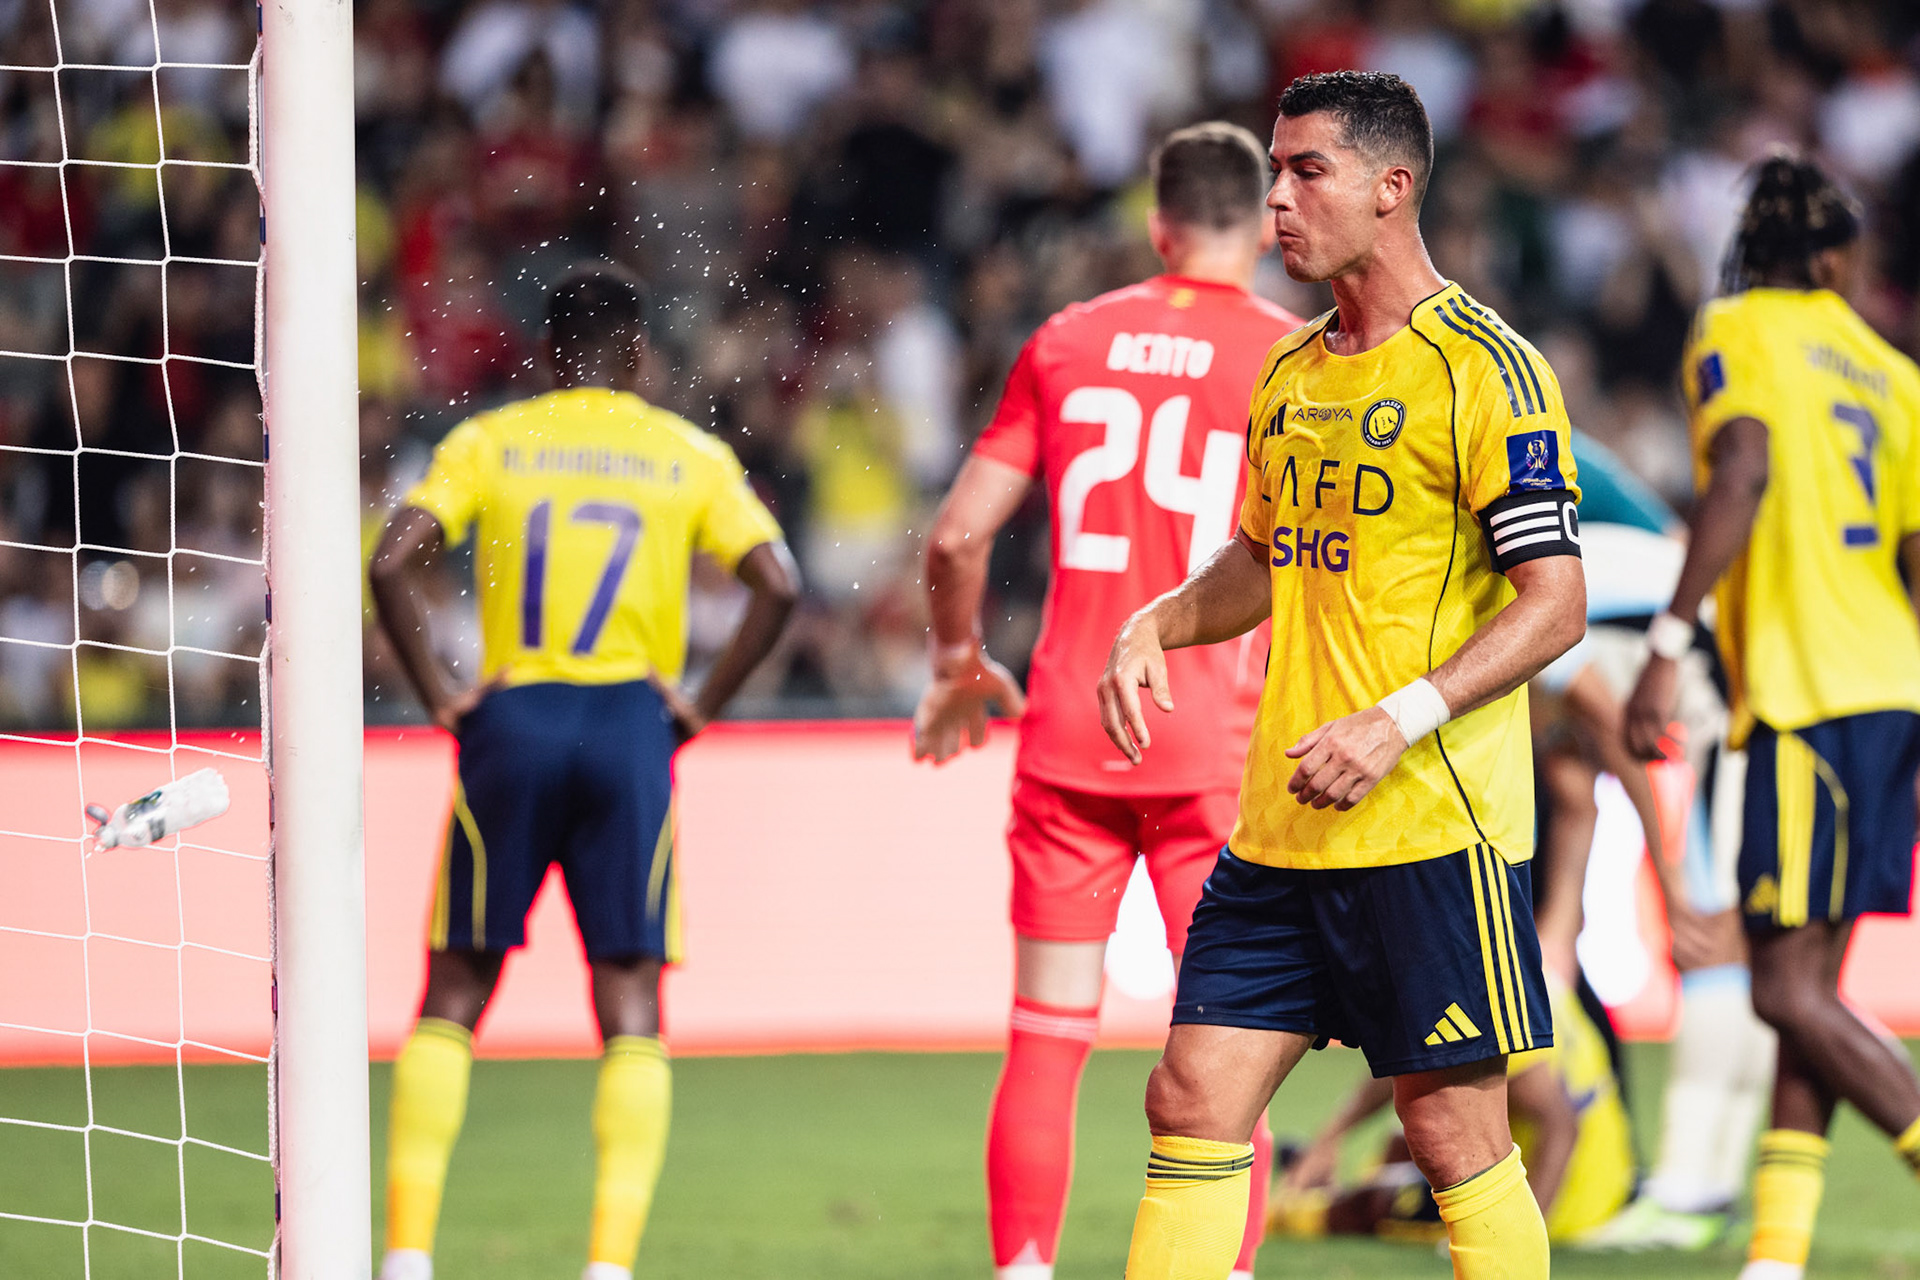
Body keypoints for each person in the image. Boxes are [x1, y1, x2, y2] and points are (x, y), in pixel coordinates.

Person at [1098, 71, 1587, 1280]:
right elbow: (1262, 559)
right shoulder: (1289, 372)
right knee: (1189, 1097)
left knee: (1454, 1132)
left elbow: (1555, 602)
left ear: (1391, 185)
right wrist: (1159, 618)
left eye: (1305, 171)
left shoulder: (1487, 368)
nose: (1275, 198)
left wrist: (1396, 719)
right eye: (1274, 171)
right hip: (1284, 827)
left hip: (1431, 826)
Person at [912, 121, 1303, 1280]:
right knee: (1230, 1054)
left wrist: (956, 662)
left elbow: (957, 535)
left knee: (1046, 1035)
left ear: (1157, 223)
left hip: (1072, 731)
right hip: (1213, 741)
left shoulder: (1069, 338)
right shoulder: (1292, 358)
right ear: (1264, 224)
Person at [368, 266, 800, 1280]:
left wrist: (440, 693)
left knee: (458, 983)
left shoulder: (491, 440)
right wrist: (700, 703)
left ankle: (407, 1254)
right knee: (630, 994)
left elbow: (389, 561)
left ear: (547, 354)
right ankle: (608, 1265)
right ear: (638, 354)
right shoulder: (686, 453)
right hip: (626, 726)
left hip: (513, 721)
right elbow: (779, 584)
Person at [1623, 154, 1920, 1280]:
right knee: (1811, 993)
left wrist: (1668, 642)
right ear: (1838, 258)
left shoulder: (1736, 328)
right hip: (1890, 690)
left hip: (1808, 692)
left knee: (1781, 987)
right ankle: (1777, 1259)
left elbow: (1739, 466)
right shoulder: (1893, 370)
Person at [1269, 980, 1634, 1248]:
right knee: (1409, 1134)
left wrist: (1524, 1235)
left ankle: (1289, 1214)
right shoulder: (1494, 972)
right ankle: (1326, 1182)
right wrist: (1330, 1138)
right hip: (1598, 1172)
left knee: (1377, 1201)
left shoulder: (1482, 998)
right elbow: (1412, 1056)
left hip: (1566, 1198)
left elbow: (1561, 1126)